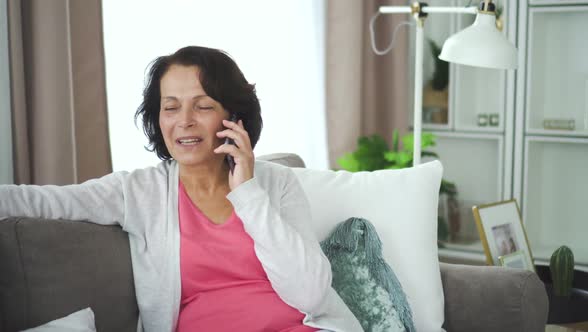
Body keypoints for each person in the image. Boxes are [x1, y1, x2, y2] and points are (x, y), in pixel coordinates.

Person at [0, 46, 362, 332]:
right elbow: (44, 201)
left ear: (233, 118)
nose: (184, 120)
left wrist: (248, 193)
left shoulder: (276, 183)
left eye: (203, 105)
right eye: (170, 107)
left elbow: (312, 295)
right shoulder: (139, 191)